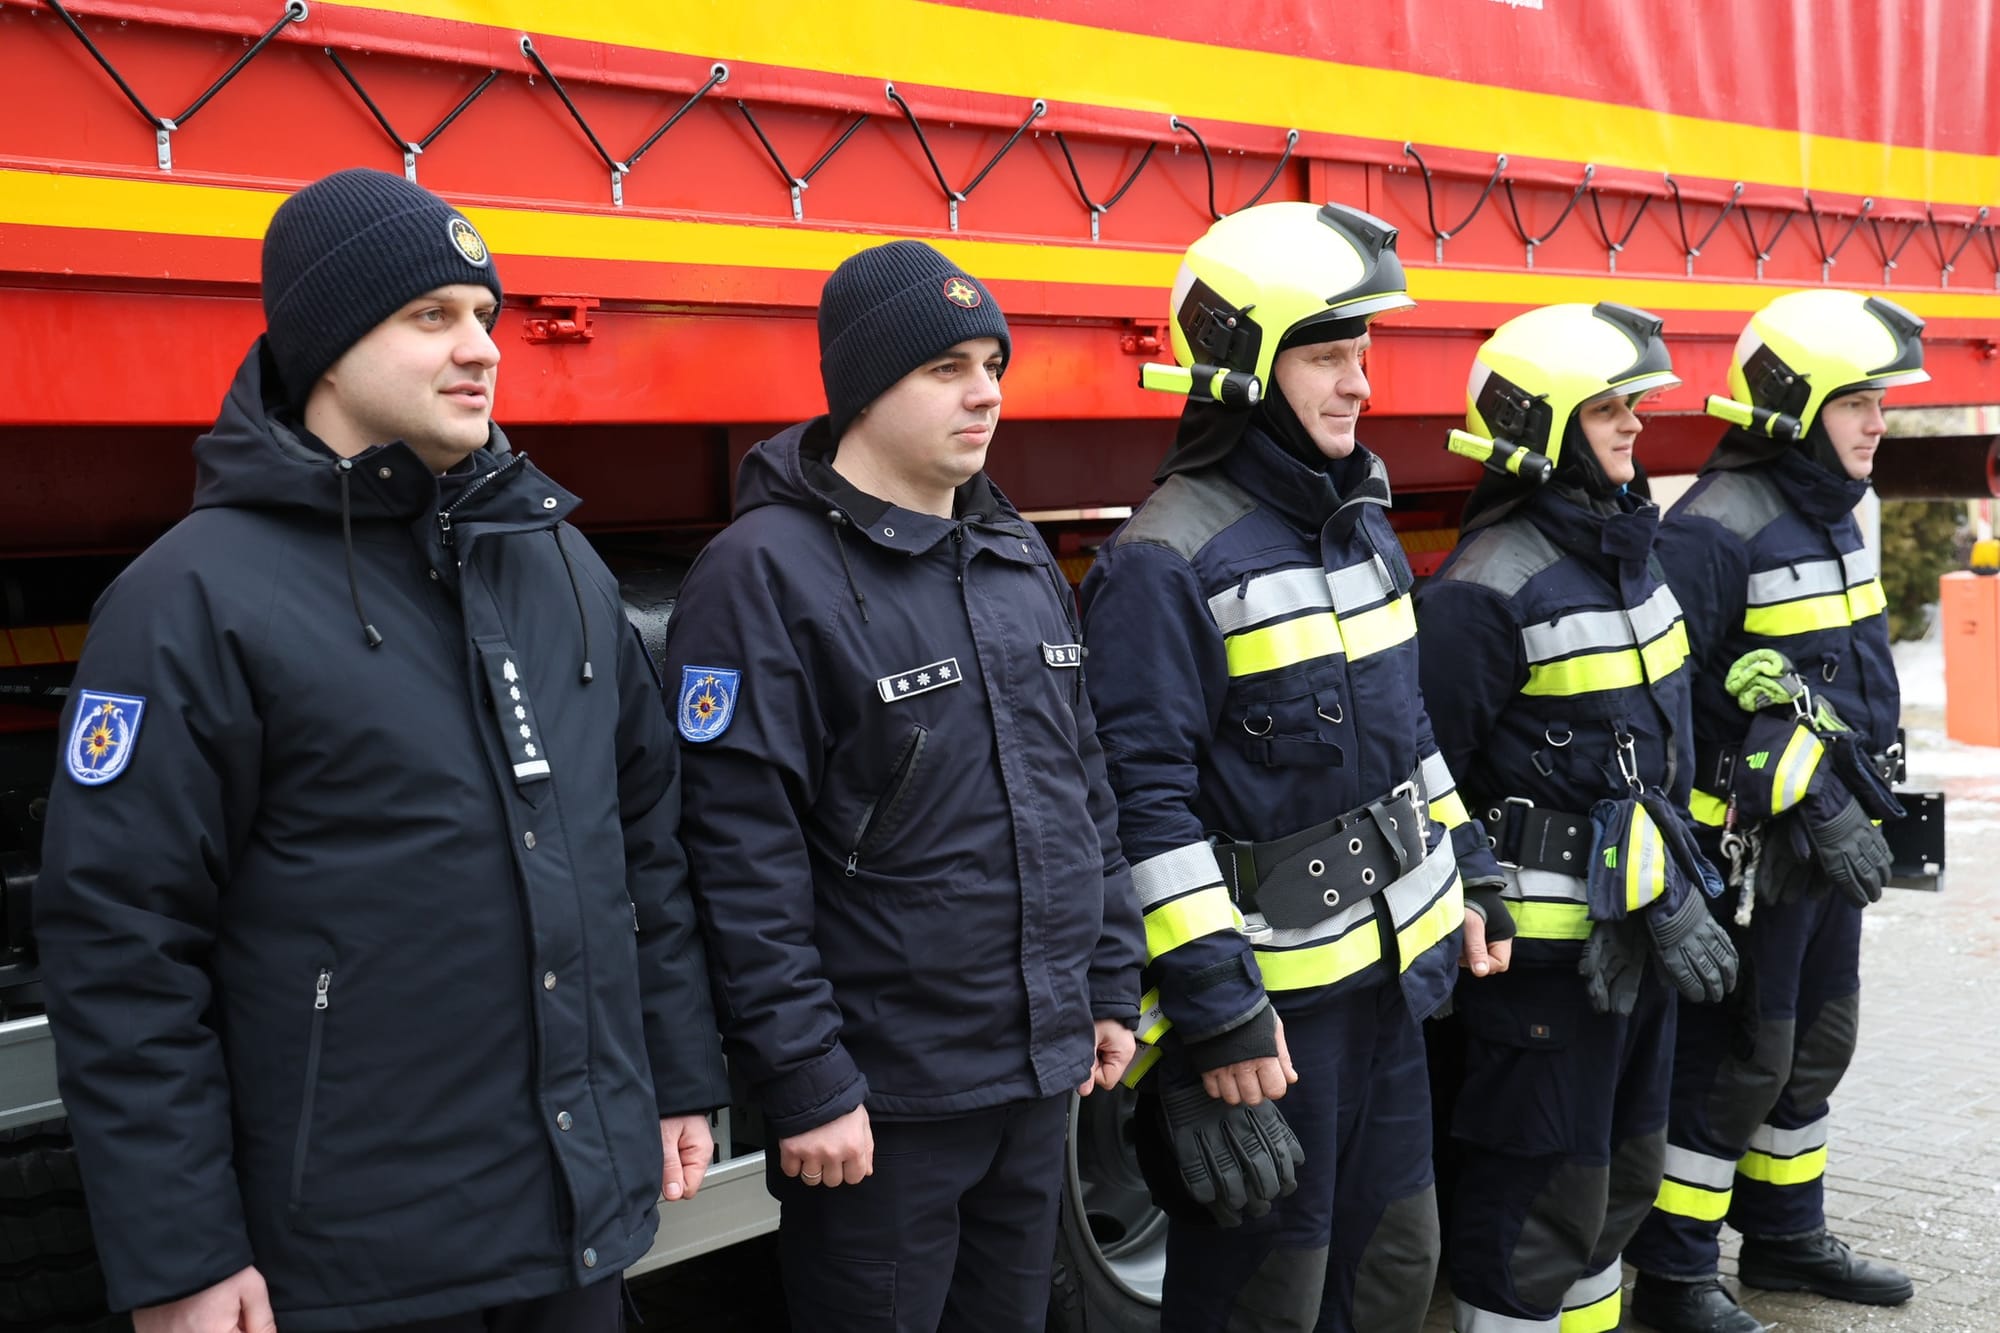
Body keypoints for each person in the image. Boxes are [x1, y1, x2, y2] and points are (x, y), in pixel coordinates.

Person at [34, 168, 725, 1332]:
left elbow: (641, 850)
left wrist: (678, 1078)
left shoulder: (561, 566)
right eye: (430, 315)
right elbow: (123, 944)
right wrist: (182, 1256)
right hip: (358, 1265)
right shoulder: (190, 601)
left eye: (485, 315)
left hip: (575, 1231)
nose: (481, 348)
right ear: (327, 347)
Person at [662, 239, 1144, 1333]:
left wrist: (1108, 982)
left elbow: (1084, 793)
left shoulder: (1014, 555)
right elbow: (737, 859)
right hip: (883, 1108)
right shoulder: (762, 574)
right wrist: (806, 1079)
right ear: (864, 388)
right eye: (946, 368)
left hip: (1035, 1077)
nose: (985, 393)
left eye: (993, 365)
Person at [1078, 201, 1508, 1333]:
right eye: (1326, 356)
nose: (1360, 383)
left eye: (1361, 352)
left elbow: (1410, 730)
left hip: (1391, 990)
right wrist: (1214, 1014)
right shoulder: (1162, 563)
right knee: (1267, 1300)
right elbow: (1143, 810)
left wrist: (1471, 868)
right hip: (1271, 1022)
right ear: (1243, 366)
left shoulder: (1357, 522)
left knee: (1392, 1268)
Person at [1415, 303, 1740, 1333]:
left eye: (1631, 404)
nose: (1633, 424)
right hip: (1539, 966)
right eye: (1607, 408)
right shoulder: (1482, 591)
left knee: (1613, 1190)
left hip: (1636, 939)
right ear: (1541, 427)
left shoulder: (1630, 553)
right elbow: (1431, 777)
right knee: (1532, 1207)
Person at [1625, 290, 1927, 1332]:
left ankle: (1786, 1234)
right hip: (1750, 854)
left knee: (1814, 1043)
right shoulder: (1714, 530)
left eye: (1879, 401)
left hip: (1830, 844)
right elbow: (1669, 707)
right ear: (1792, 407)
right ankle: (1675, 1276)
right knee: (1735, 1059)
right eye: (1855, 401)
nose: (1876, 422)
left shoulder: (1832, 506)